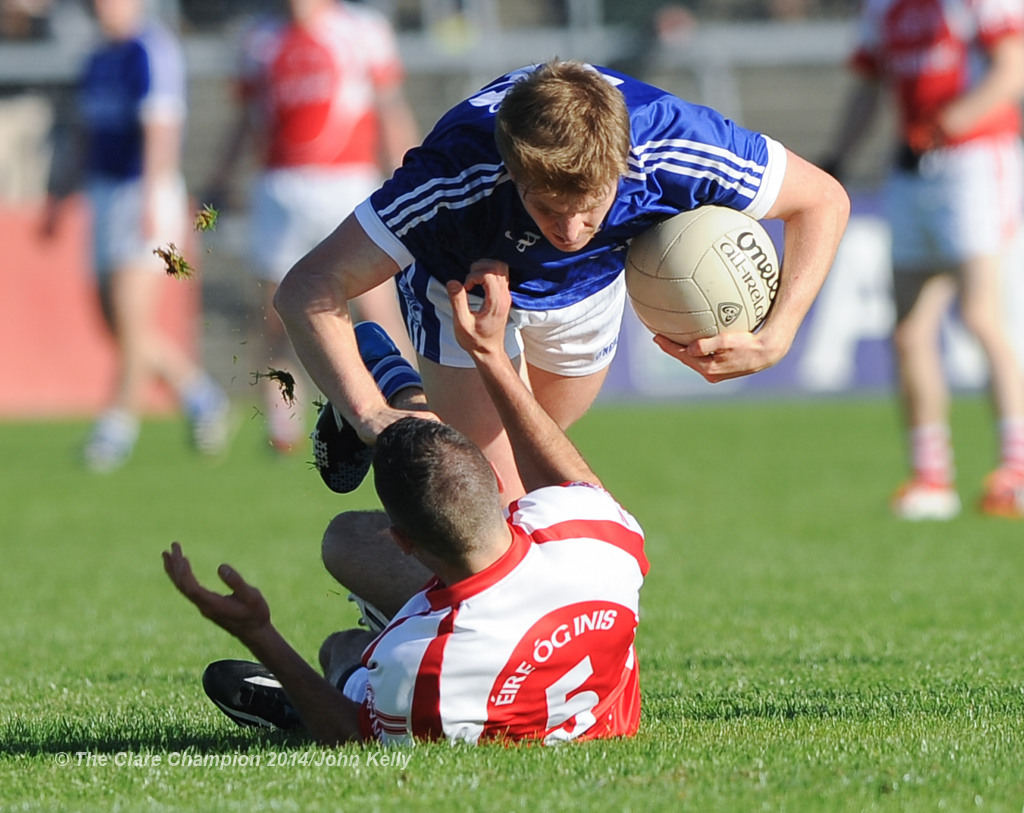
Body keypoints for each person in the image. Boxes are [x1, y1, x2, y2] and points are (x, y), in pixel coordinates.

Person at [274, 58, 850, 504]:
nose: (571, 229)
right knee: (486, 499)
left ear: (622, 164)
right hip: (459, 289)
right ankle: (381, 404)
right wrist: (371, 416)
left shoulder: (675, 143)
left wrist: (779, 334)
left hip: (587, 291)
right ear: (515, 174)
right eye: (548, 207)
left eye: (591, 206)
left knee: (539, 462)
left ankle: (397, 384)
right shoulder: (456, 175)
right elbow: (307, 287)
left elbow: (823, 199)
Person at [164, 266, 648, 745]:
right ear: (498, 479)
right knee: (354, 539)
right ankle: (399, 398)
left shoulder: (415, 656)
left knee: (344, 643)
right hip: (538, 614)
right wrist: (491, 355)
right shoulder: (604, 544)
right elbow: (574, 480)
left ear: (401, 541)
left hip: (449, 644)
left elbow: (349, 731)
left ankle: (391, 407)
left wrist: (260, 633)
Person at [819, 0, 1024, 519]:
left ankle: (1015, 471)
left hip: (977, 161)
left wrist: (946, 125)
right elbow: (867, 88)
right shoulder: (883, 8)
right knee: (909, 331)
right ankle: (932, 477)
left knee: (981, 316)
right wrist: (836, 157)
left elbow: (1013, 69)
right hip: (912, 168)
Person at [202, 0, 420, 453]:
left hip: (347, 182)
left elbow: (389, 110)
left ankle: (412, 408)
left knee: (374, 307)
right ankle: (283, 423)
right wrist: (220, 180)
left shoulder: (362, 30)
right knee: (280, 310)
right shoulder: (259, 38)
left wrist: (412, 176)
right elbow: (246, 120)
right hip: (280, 188)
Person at [39, 0, 230, 473]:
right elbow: (86, 134)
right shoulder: (97, 58)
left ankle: (115, 430)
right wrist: (61, 196)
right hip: (103, 195)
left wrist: (151, 199)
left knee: (129, 317)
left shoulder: (152, 50)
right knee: (117, 324)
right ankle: (200, 394)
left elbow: (161, 129)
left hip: (143, 192)